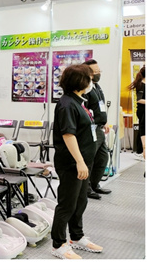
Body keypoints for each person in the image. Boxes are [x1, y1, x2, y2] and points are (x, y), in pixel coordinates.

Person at [50, 64, 103, 259]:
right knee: (67, 204)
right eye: (89, 78)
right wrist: (79, 161)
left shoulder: (79, 101)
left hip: (84, 161)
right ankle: (58, 244)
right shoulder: (66, 104)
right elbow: (68, 135)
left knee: (80, 201)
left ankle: (76, 236)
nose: (92, 81)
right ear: (80, 81)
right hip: (72, 163)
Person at [82, 59, 112, 200]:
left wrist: (105, 121)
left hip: (100, 127)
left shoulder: (96, 86)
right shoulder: (85, 88)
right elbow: (84, 109)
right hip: (91, 128)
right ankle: (86, 188)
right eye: (96, 71)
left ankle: (94, 184)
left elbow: (100, 106)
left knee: (102, 158)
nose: (98, 73)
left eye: (99, 71)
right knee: (90, 159)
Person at [128, 66, 146, 160]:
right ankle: (141, 151)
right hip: (142, 110)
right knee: (143, 129)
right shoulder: (141, 85)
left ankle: (141, 150)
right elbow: (139, 99)